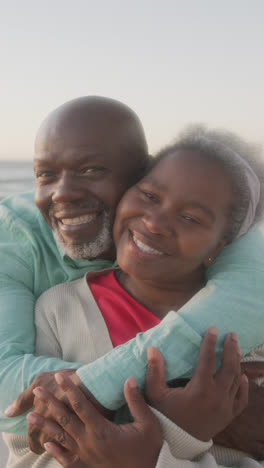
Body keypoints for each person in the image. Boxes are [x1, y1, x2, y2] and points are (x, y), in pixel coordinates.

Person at [2, 102, 264, 456]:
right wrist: (191, 418)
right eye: (44, 174)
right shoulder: (51, 300)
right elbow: (15, 405)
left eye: (92, 169)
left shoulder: (234, 299)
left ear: (138, 174)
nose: (62, 192)